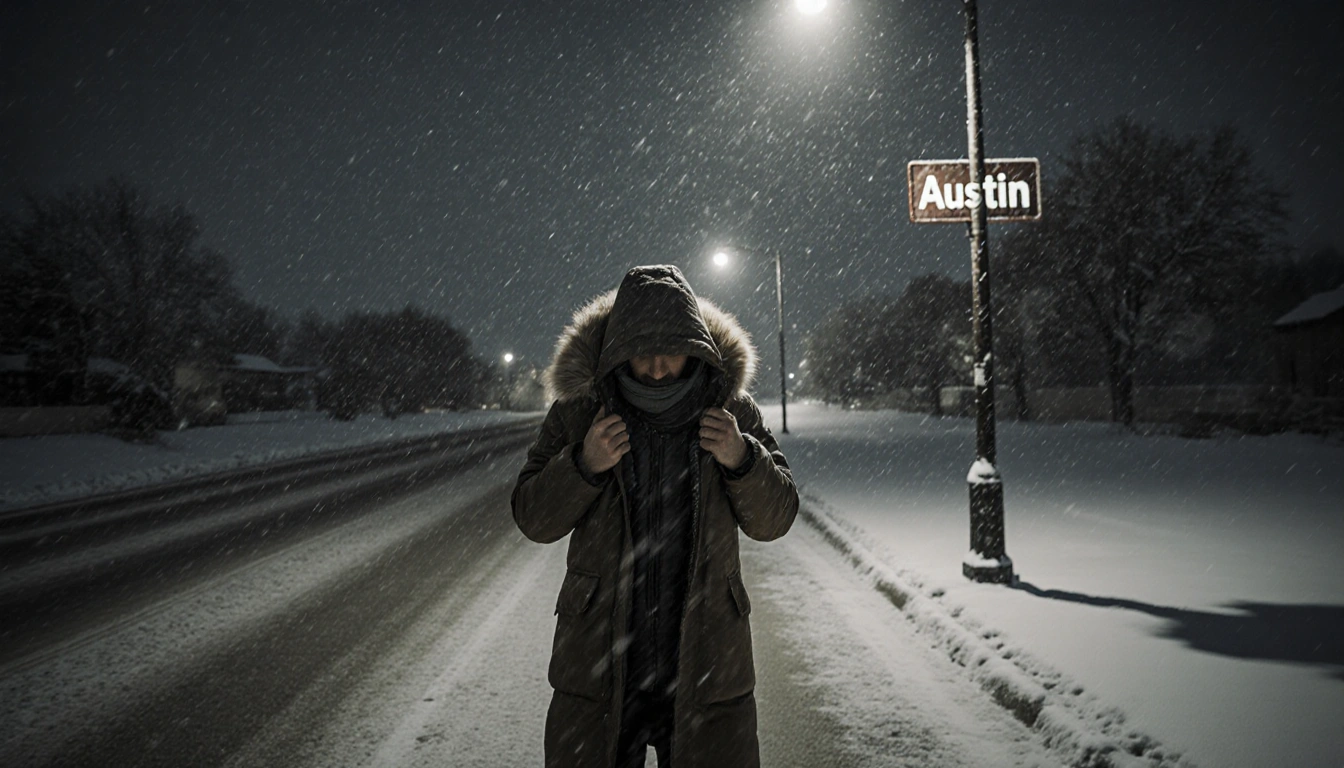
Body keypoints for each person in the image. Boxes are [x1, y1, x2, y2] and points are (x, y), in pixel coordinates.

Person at [511, 264, 799, 768]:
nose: (660, 368)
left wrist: (743, 457)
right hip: (601, 667)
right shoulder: (580, 414)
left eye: (672, 352)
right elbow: (534, 519)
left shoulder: (732, 410)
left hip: (705, 663)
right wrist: (583, 465)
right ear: (619, 349)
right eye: (643, 353)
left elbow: (775, 520)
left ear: (697, 347)